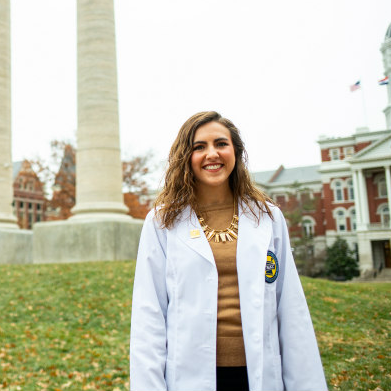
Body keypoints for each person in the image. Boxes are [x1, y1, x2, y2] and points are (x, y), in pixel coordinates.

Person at [130, 111, 327, 391]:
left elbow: (291, 309)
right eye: (199, 147)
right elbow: (149, 316)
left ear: (236, 151)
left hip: (259, 375)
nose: (212, 154)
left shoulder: (268, 217)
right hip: (189, 377)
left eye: (221, 144)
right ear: (185, 157)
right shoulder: (162, 222)